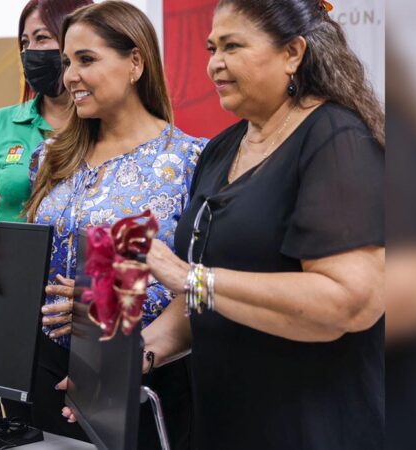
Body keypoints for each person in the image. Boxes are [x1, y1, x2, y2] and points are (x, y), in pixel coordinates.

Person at [115, 1, 385, 449]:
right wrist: (127, 361)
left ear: (292, 53)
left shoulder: (337, 140)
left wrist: (191, 278)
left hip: (311, 426)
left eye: (233, 47)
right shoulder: (222, 150)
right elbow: (199, 305)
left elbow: (349, 302)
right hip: (225, 422)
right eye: (211, 48)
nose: (214, 64)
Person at [24, 2, 206, 447]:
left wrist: (106, 325)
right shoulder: (50, 157)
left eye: (86, 60)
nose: (69, 76)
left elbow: (197, 285)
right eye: (67, 62)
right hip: (45, 365)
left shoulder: (188, 161)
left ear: (135, 63)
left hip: (144, 371)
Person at [0, 0, 92, 222]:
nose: (30, 52)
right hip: (7, 256)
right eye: (24, 42)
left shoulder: (104, 125)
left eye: (42, 38)